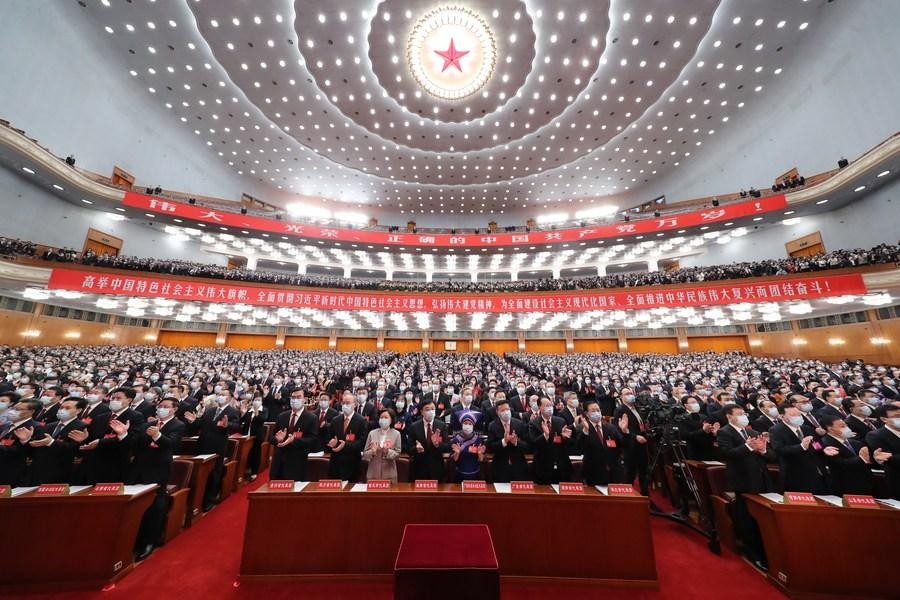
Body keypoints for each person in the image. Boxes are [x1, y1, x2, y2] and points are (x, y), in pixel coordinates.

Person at [716, 405, 775, 570]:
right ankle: (752, 552)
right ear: (729, 417)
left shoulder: (753, 432)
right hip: (743, 481)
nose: (744, 416)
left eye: (744, 413)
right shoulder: (724, 432)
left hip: (762, 479)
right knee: (747, 518)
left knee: (763, 517)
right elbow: (726, 454)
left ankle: (767, 551)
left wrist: (763, 450)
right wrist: (748, 447)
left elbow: (772, 456)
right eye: (739, 414)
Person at [130, 397, 186, 561]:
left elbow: (172, 445)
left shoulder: (178, 425)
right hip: (139, 469)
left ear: (174, 409)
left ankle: (150, 540)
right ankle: (136, 538)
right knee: (137, 505)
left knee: (155, 505)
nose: (161, 408)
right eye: (160, 406)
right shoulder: (147, 424)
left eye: (165, 406)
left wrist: (157, 435)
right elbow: (136, 443)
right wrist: (124, 434)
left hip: (159, 470)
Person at [184, 387, 240, 511]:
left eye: (223, 394)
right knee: (200, 473)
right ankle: (195, 501)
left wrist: (228, 425)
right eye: (219, 394)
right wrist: (194, 421)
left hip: (218, 446)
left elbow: (236, 426)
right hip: (203, 444)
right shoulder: (210, 410)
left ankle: (209, 499)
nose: (220, 396)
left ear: (230, 397)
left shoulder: (232, 411)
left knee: (214, 473)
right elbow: (201, 424)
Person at [26, 397, 87, 484]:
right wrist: (26, 439)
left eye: (67, 408)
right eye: (61, 407)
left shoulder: (82, 426)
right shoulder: (49, 425)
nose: (62, 410)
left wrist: (52, 442)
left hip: (62, 472)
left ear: (78, 411)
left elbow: (75, 449)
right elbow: (37, 443)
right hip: (39, 470)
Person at [769, 405, 825, 493]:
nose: (798, 417)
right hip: (795, 473)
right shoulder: (776, 430)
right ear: (782, 416)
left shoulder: (807, 428)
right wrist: (801, 446)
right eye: (793, 415)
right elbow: (779, 449)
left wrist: (823, 449)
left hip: (815, 470)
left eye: (799, 414)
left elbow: (816, 444)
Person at [819, 415, 879, 496]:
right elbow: (838, 463)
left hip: (866, 484)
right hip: (846, 486)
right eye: (842, 426)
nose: (846, 428)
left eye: (846, 425)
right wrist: (861, 458)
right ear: (830, 429)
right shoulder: (825, 443)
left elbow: (868, 460)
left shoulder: (856, 442)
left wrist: (876, 458)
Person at [270, 388, 319, 482]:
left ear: (304, 399)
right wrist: (277, 440)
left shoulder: (311, 418)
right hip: (279, 463)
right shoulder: (282, 416)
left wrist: (294, 440)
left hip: (298, 463)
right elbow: (271, 438)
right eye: (293, 397)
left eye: (298, 397)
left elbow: (313, 440)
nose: (295, 400)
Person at [578, 399, 630, 486]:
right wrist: (586, 432)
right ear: (586, 414)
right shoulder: (582, 428)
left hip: (613, 473)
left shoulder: (610, 427)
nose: (597, 413)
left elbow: (624, 444)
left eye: (598, 410)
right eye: (593, 411)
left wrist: (625, 432)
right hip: (593, 473)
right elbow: (579, 448)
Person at [529, 396, 575, 484]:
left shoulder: (561, 421)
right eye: (546, 406)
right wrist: (545, 435)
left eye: (550, 405)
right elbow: (533, 443)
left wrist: (566, 438)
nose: (550, 408)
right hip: (543, 466)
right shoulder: (534, 423)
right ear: (539, 407)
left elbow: (570, 444)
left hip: (561, 465)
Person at [485, 399, 530, 482]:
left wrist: (516, 442)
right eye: (503, 410)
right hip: (500, 467)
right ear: (497, 412)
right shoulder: (492, 426)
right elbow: (490, 447)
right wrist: (504, 441)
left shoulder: (519, 424)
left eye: (507, 409)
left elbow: (527, 446)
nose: (506, 412)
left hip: (518, 466)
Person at [614, 390, 650, 494]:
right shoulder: (620, 410)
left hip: (642, 442)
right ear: (621, 397)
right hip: (630, 443)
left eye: (631, 393)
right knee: (630, 471)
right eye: (627, 394)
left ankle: (644, 493)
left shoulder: (636, 407)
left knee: (644, 469)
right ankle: (628, 494)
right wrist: (634, 437)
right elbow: (618, 428)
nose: (630, 395)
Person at [327, 391, 367, 482]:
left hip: (352, 463)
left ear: (355, 404)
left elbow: (362, 442)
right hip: (336, 463)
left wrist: (345, 445)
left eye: (348, 403)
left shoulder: (361, 421)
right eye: (343, 403)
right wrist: (332, 443)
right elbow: (329, 437)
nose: (345, 405)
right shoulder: (335, 420)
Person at [406, 399, 450, 482]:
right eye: (427, 409)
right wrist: (416, 449)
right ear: (421, 412)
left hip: (437, 468)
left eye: (432, 409)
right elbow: (408, 449)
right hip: (419, 468)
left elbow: (447, 447)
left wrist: (438, 444)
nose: (430, 411)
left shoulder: (441, 425)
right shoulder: (414, 427)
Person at [0, 399, 41, 486]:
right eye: (13, 408)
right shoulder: (6, 425)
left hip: (13, 471)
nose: (13, 411)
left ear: (31, 411)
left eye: (18, 410)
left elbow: (29, 451)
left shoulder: (35, 427)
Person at [865, 403, 900, 499]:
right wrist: (892, 457)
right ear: (884, 419)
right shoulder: (875, 435)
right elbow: (889, 458)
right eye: (896, 416)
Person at [363, 409, 402, 483]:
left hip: (389, 474)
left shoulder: (396, 434)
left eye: (386, 417)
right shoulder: (372, 433)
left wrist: (388, 452)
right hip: (373, 474)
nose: (383, 419)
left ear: (391, 420)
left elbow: (398, 454)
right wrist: (372, 451)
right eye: (381, 417)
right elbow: (365, 455)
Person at [239, 396, 268, 481]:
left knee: (256, 453)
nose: (256, 401)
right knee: (247, 453)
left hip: (257, 436)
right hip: (247, 435)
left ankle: (254, 472)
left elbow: (262, 420)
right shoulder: (249, 410)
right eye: (255, 400)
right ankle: (246, 470)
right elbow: (241, 421)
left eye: (259, 400)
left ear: (262, 402)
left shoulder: (264, 410)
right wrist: (243, 413)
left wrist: (256, 412)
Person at [450, 411, 485, 482]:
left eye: (470, 424)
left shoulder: (478, 440)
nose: (467, 426)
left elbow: (481, 459)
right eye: (465, 423)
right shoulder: (456, 439)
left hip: (475, 474)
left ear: (473, 426)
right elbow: (454, 459)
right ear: (462, 425)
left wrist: (480, 454)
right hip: (459, 474)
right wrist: (457, 453)